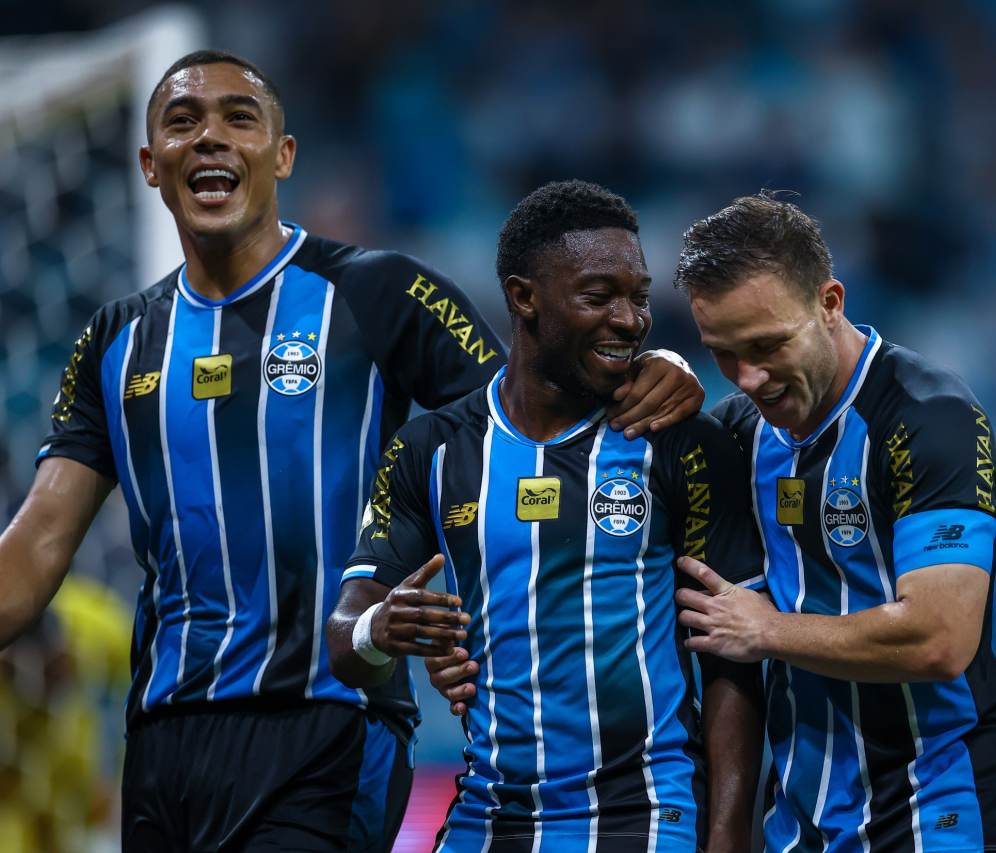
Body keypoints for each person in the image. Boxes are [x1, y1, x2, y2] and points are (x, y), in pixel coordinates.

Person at [0, 52, 703, 853]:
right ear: (148, 165)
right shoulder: (115, 340)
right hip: (163, 737)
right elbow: (35, 546)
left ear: (283, 154)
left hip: (331, 724)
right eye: (183, 121)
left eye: (239, 117)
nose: (210, 138)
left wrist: (663, 364)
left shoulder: (380, 293)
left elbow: (532, 416)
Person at [326, 180, 767, 853]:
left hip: (645, 811)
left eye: (640, 296)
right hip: (486, 813)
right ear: (524, 296)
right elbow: (345, 639)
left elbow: (732, 655)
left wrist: (730, 831)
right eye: (598, 296)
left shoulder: (682, 440)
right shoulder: (431, 451)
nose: (630, 319)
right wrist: (379, 631)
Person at [672, 193, 996, 852]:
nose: (748, 376)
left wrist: (768, 629)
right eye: (723, 353)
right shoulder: (736, 437)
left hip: (942, 798)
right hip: (803, 820)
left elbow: (940, 640)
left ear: (830, 302)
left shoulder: (932, 418)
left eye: (767, 344)